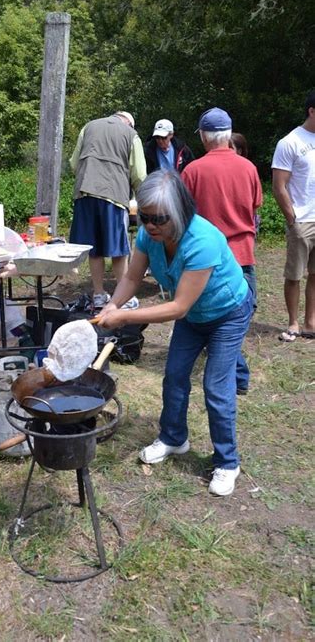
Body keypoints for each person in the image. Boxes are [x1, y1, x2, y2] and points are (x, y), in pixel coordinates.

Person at [96, 170, 253, 496]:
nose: (150, 225)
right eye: (144, 218)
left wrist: (125, 317)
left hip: (227, 313)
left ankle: (227, 462)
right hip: (194, 316)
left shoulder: (203, 241)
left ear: (181, 212)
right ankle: (173, 438)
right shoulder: (148, 237)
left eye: (159, 219)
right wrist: (112, 305)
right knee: (175, 376)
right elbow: (131, 278)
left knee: (216, 387)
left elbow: (179, 306)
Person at [181, 108, 263, 395]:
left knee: (213, 321)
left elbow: (184, 216)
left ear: (204, 136)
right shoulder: (249, 168)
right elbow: (254, 210)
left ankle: (236, 376)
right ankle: (239, 378)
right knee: (234, 321)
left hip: (207, 260)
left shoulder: (192, 171)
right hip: (242, 255)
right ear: (229, 135)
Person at [69, 110, 146, 310]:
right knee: (119, 249)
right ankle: (125, 297)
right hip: (113, 196)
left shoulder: (89, 126)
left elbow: (74, 163)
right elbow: (139, 173)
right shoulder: (131, 135)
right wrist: (142, 198)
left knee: (94, 249)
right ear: (129, 123)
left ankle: (99, 294)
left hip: (84, 193)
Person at [271, 90, 315, 341]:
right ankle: (293, 323)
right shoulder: (290, 142)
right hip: (301, 220)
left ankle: (311, 322)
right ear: (311, 111)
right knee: (294, 275)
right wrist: (292, 219)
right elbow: (279, 186)